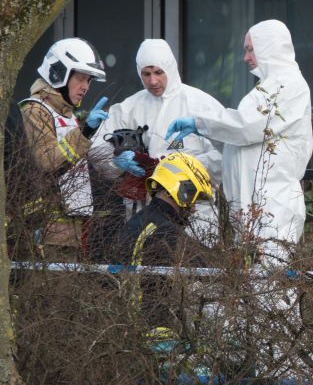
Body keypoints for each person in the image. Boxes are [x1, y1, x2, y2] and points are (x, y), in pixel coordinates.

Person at [165, 20, 313, 265]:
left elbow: (247, 126)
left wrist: (202, 123)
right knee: (256, 294)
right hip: (255, 214)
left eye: (250, 49)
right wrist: (208, 132)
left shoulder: (288, 85)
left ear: (269, 47)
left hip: (272, 211)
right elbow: (244, 143)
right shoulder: (269, 87)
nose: (245, 57)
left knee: (272, 294)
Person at [91, 39, 223, 239]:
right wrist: (117, 161)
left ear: (170, 68)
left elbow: (223, 156)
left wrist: (171, 170)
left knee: (191, 266)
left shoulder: (200, 105)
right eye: (146, 74)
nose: (152, 81)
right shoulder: (130, 107)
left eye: (158, 72)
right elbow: (97, 150)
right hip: (141, 214)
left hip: (195, 215)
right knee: (145, 262)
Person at [12, 38, 108, 259]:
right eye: (81, 78)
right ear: (59, 73)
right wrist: (84, 133)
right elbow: (47, 161)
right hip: (45, 230)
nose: (86, 87)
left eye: (89, 80)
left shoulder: (68, 114)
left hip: (71, 230)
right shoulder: (35, 109)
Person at [113, 152, 214, 329]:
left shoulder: (141, 220)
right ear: (184, 191)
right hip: (153, 326)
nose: (194, 208)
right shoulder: (164, 231)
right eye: (194, 199)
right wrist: (243, 257)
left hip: (127, 321)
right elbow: (210, 267)